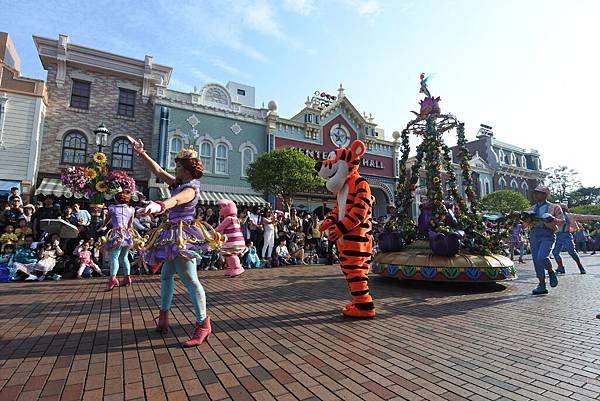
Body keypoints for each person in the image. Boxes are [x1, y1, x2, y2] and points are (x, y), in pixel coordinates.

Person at [129, 136, 223, 347]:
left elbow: (176, 200)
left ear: (187, 169)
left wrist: (159, 206)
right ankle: (163, 317)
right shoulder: (179, 184)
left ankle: (203, 324)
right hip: (171, 234)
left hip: (184, 236)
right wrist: (142, 153)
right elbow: (159, 172)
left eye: (179, 166)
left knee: (190, 278)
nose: (175, 169)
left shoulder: (190, 189)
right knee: (166, 275)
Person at [523, 186, 564, 295]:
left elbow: (562, 221)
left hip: (547, 234)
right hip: (534, 234)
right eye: (535, 193)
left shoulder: (554, 207)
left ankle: (551, 272)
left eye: (539, 193)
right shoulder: (531, 208)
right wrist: (524, 219)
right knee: (537, 260)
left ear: (545, 195)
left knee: (542, 256)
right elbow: (525, 224)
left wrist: (553, 219)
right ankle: (541, 284)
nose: (536, 195)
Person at [99, 190, 139, 290]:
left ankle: (113, 279)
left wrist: (102, 226)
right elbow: (130, 225)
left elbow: (106, 221)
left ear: (116, 199)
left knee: (114, 257)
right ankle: (127, 278)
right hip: (127, 235)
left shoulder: (112, 208)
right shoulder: (131, 209)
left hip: (116, 234)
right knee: (124, 257)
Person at [552, 204, 600, 275]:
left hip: (566, 235)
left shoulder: (569, 216)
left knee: (572, 252)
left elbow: (584, 217)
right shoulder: (554, 216)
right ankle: (560, 267)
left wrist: (597, 217)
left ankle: (580, 266)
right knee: (555, 252)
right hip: (557, 236)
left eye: (561, 208)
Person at [214, 199, 246, 277]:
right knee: (228, 255)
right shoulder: (236, 219)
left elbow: (219, 228)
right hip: (237, 241)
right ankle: (230, 269)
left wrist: (210, 232)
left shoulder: (229, 219)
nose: (220, 210)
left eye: (221, 208)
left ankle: (237, 268)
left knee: (232, 255)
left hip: (233, 242)